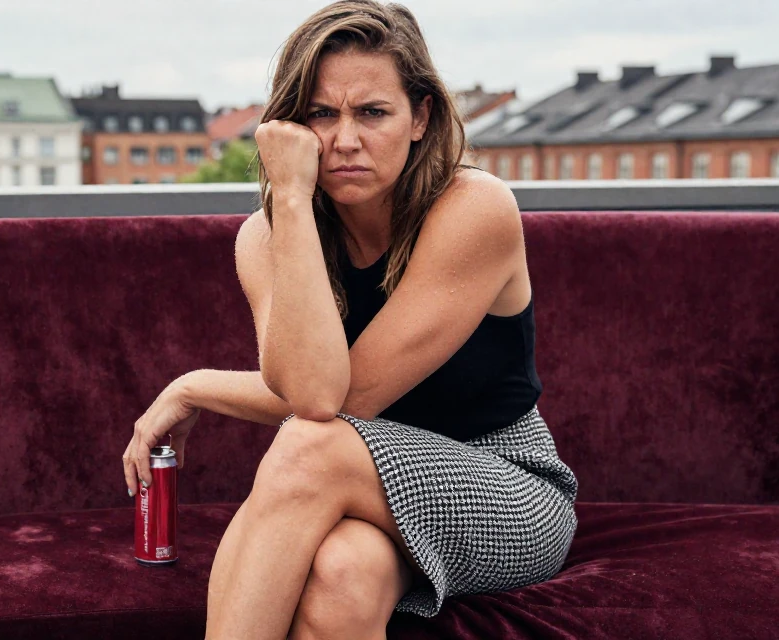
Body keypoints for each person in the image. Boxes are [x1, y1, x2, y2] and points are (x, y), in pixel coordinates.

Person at [121, 1, 579, 637]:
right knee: (343, 574)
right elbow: (313, 389)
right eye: (320, 114)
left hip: (507, 487)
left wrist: (193, 384)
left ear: (420, 117)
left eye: (372, 112)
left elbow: (332, 402)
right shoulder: (268, 237)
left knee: (312, 445)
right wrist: (290, 200)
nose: (344, 140)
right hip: (359, 488)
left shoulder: (475, 209)